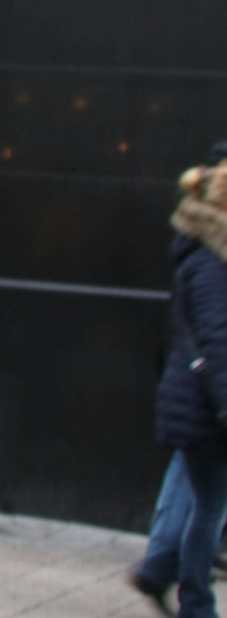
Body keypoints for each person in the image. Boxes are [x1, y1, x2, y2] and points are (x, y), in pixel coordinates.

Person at [130, 141, 227, 617]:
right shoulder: (210, 261)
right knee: (209, 507)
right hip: (207, 405)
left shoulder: (206, 254)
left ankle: (161, 572)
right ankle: (196, 603)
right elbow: (216, 337)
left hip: (200, 400)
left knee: (203, 499)